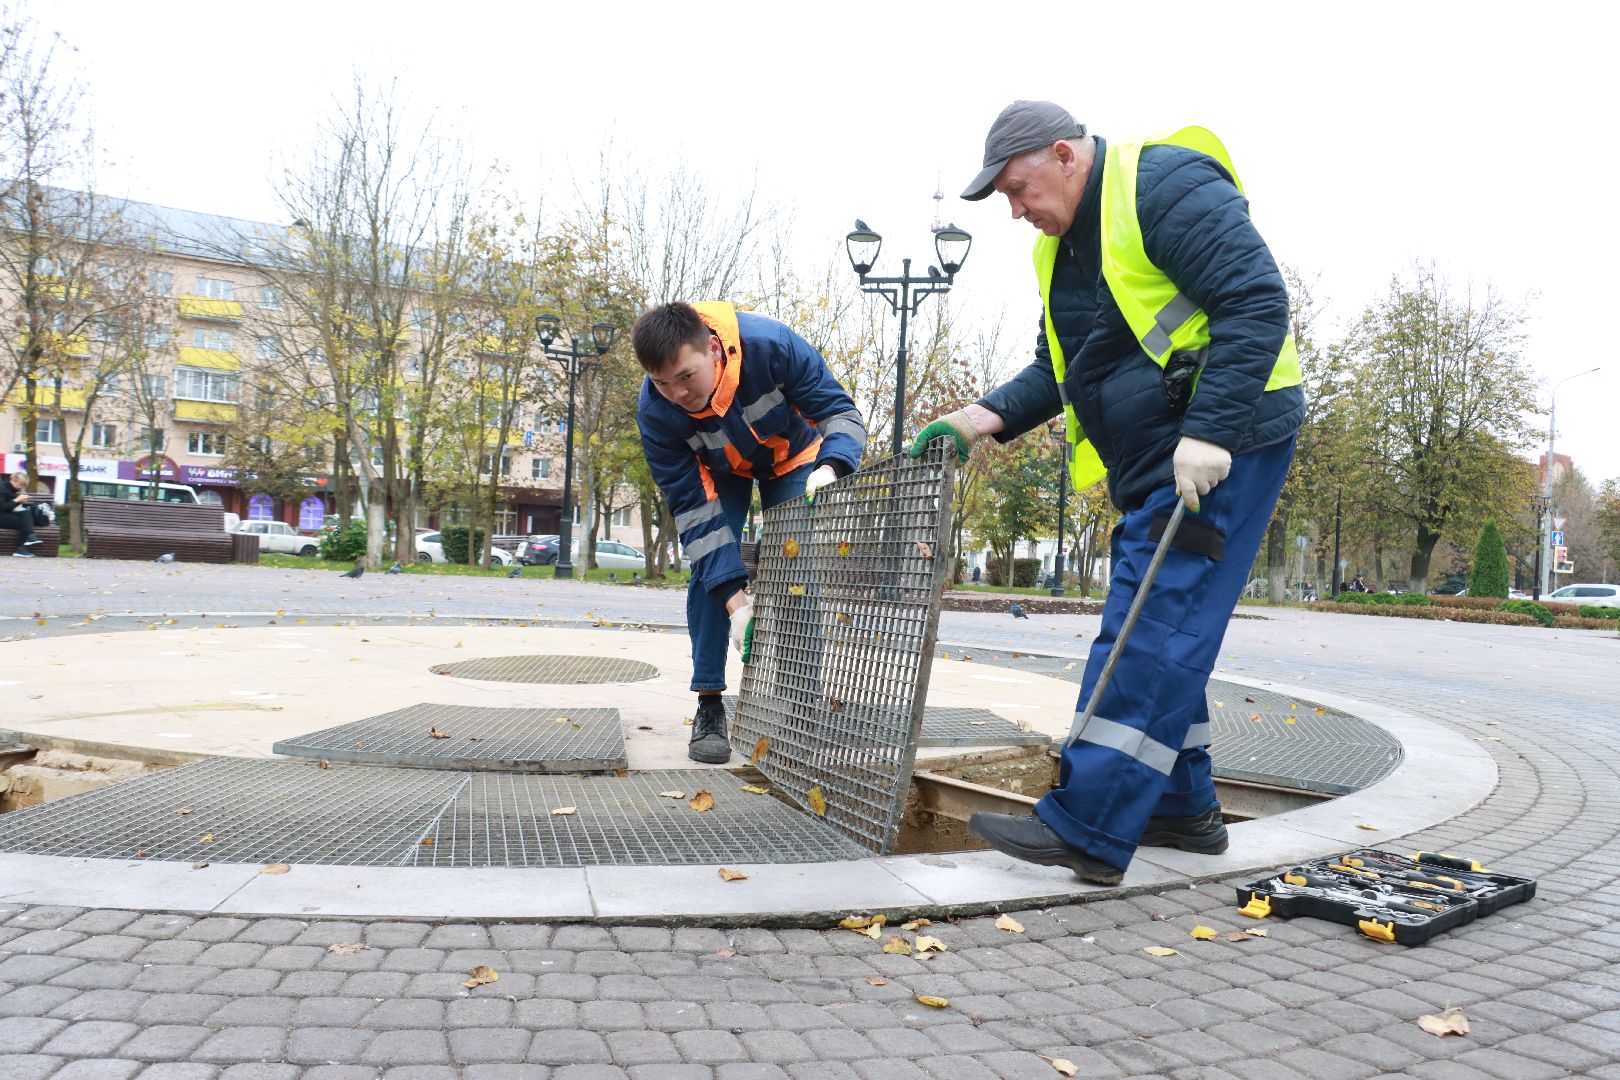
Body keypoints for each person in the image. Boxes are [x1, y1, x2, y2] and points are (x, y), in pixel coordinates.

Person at [913, 101, 1304, 884]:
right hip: (1160, 454)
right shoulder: (1060, 252)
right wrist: (979, 417)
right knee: (1160, 625)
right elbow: (1063, 367)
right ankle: (1180, 810)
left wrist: (1213, 432)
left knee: (1150, 632)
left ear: (1064, 155)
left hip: (1221, 446)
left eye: (1020, 190)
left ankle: (1089, 824)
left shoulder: (1161, 185)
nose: (1017, 211)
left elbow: (1256, 300)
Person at [635, 301, 867, 764]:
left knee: (793, 561)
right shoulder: (656, 413)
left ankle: (803, 704)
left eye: (686, 376)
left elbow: (841, 413)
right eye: (662, 383)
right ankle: (710, 705)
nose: (677, 393)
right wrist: (736, 602)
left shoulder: (773, 347)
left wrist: (834, 464)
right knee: (711, 572)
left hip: (795, 456)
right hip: (718, 468)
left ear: (713, 348)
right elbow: (695, 516)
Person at [1, 472, 44, 557]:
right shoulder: (1, 488)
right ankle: (21, 547)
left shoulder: (12, 489)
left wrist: (22, 502)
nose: (20, 487)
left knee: (25, 513)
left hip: (5, 514)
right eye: (20, 484)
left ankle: (30, 536)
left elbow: (10, 506)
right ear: (13, 479)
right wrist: (17, 500)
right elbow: (2, 507)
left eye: (23, 485)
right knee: (23, 522)